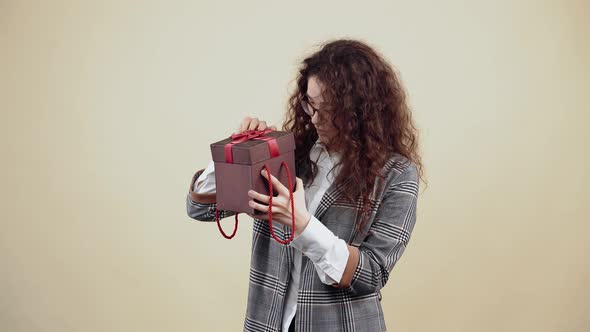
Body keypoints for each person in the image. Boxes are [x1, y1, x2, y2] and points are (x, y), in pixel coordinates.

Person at [186, 39, 424, 332]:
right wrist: (237, 150)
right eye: (311, 105)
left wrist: (303, 225)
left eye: (331, 110)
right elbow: (199, 209)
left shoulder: (397, 174)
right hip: (268, 324)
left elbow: (371, 275)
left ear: (362, 112)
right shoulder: (287, 153)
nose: (316, 120)